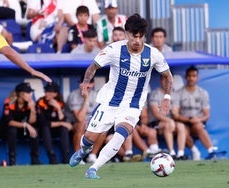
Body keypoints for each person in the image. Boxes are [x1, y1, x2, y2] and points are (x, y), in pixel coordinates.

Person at [69, 13, 173, 179]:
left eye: (140, 37)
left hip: (133, 105)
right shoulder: (114, 49)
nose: (137, 41)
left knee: (120, 136)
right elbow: (93, 67)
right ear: (127, 34)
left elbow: (167, 76)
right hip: (109, 102)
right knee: (89, 139)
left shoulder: (153, 54)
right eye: (134, 36)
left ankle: (93, 169)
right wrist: (86, 82)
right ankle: (84, 150)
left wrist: (167, 98)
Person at [171, 66, 226, 160]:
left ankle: (211, 151)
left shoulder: (202, 93)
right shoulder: (179, 93)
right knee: (182, 130)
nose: (191, 78)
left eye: (194, 76)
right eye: (189, 76)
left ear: (197, 78)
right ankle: (192, 152)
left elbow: (207, 115)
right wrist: (187, 119)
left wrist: (197, 119)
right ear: (186, 77)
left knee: (198, 125)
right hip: (184, 121)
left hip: (197, 122)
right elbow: (175, 114)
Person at [0, 82, 41, 165]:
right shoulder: (9, 102)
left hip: (21, 130)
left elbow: (32, 121)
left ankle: (35, 159)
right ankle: (12, 160)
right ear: (21, 94)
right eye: (27, 93)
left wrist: (32, 110)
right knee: (12, 130)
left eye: (30, 93)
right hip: (5, 130)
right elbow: (10, 122)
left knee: (34, 131)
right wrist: (26, 125)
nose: (30, 95)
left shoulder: (29, 103)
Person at [148, 74, 187, 159]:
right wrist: (169, 120)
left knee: (181, 126)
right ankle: (172, 152)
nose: (166, 82)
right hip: (156, 123)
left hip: (171, 121)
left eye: (168, 80)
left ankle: (180, 153)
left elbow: (176, 112)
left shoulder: (175, 94)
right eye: (164, 79)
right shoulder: (155, 93)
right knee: (168, 124)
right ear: (160, 80)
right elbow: (156, 113)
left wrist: (174, 114)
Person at [36, 82, 72, 164]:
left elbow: (63, 119)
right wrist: (61, 123)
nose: (46, 93)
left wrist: (58, 108)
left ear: (55, 93)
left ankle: (66, 157)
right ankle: (52, 157)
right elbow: (43, 123)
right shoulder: (41, 102)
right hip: (43, 131)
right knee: (46, 128)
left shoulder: (60, 103)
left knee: (64, 128)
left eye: (49, 92)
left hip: (56, 130)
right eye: (46, 91)